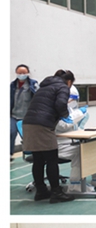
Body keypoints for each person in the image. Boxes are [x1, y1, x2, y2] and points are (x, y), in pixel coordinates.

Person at [21, 69, 75, 203]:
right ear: (69, 81)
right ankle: (56, 192)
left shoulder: (44, 86)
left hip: (28, 123)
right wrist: (66, 115)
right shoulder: (62, 86)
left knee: (38, 159)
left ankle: (41, 191)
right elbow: (60, 104)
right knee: (51, 159)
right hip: (43, 125)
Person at [11, 64, 39, 160]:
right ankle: (9, 153)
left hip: (28, 116)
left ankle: (34, 153)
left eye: (24, 72)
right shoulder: (12, 85)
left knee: (30, 135)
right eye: (19, 73)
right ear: (16, 73)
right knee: (11, 132)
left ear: (28, 73)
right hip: (14, 115)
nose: (22, 74)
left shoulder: (33, 84)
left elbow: (38, 96)